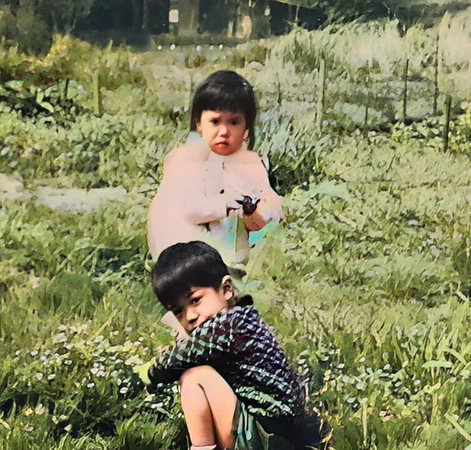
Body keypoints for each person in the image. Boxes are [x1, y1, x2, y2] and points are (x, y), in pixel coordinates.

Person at [136, 241, 328, 450]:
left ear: (227, 289)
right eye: (178, 311)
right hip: (280, 433)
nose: (190, 316)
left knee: (194, 378)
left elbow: (179, 358)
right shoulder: (242, 319)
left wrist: (148, 372)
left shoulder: (228, 327)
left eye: (195, 300)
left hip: (269, 436)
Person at [147, 70, 282, 268]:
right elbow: (190, 209)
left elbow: (270, 203)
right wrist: (226, 205)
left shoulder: (250, 163)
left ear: (246, 128)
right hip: (188, 255)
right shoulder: (189, 160)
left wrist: (259, 212)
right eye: (215, 121)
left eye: (234, 122)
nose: (224, 131)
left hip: (233, 258)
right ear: (199, 124)